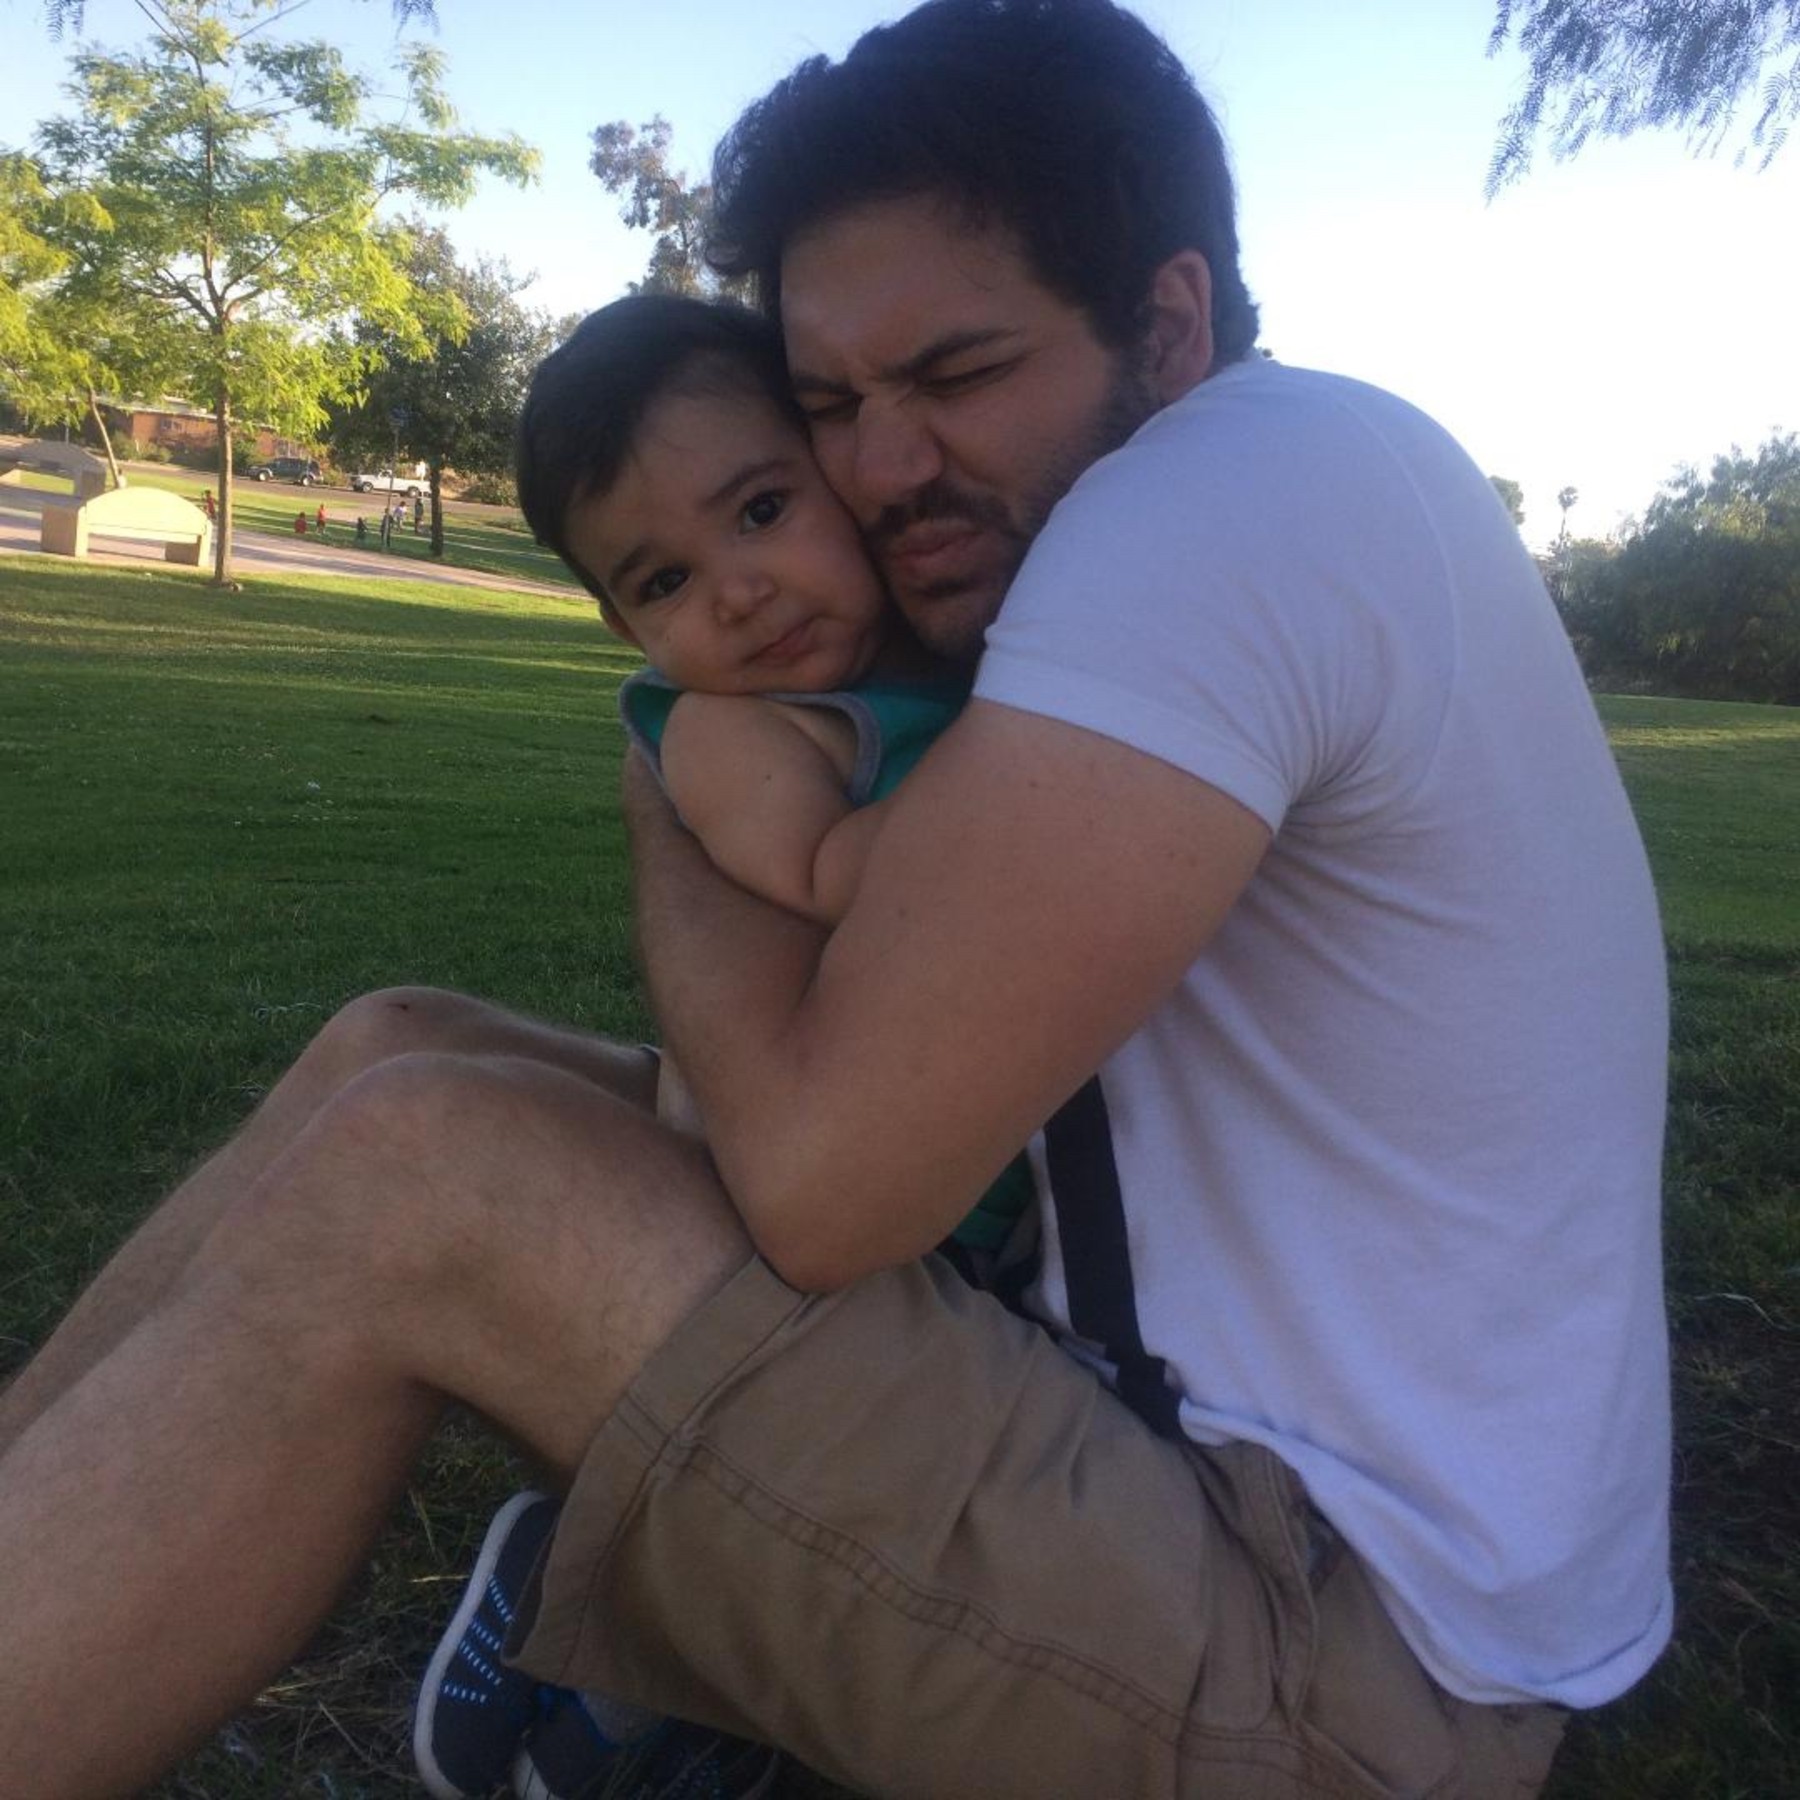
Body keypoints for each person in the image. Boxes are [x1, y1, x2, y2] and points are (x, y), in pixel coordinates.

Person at [0, 3, 1670, 1797]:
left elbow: (820, 1191)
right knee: (389, 1047)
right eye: (832, 407)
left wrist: (677, 753)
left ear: (1171, 325)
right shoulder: (1326, 467)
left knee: (433, 1173)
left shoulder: (1216, 500)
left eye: (956, 375)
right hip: (1229, 1493)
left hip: (1349, 1662)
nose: (879, 471)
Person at [411, 291, 1037, 1800]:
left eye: (762, 510)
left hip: (959, 1186)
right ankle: (582, 1585)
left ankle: (663, 1674)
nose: (741, 595)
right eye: (667, 581)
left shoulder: (941, 660)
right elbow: (825, 873)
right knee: (790, 1484)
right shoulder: (731, 730)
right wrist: (1068, 779)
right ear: (626, 630)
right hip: (791, 1205)